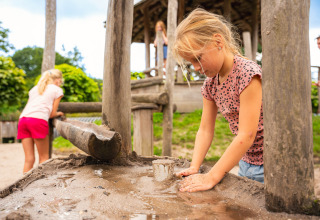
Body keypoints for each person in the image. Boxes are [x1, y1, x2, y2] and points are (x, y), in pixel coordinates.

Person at [172, 8, 264, 192]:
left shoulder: (247, 74)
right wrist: (194, 166)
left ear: (218, 42)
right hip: (245, 160)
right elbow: (205, 129)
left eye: (198, 58)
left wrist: (211, 177)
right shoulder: (210, 85)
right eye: (191, 63)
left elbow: (247, 134)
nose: (196, 68)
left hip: (272, 163)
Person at [17, 69, 64, 174]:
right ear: (58, 80)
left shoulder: (34, 89)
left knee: (29, 159)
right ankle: (42, 186)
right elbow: (52, 114)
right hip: (37, 120)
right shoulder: (57, 90)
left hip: (23, 120)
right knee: (44, 158)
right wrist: (59, 114)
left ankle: (24, 188)